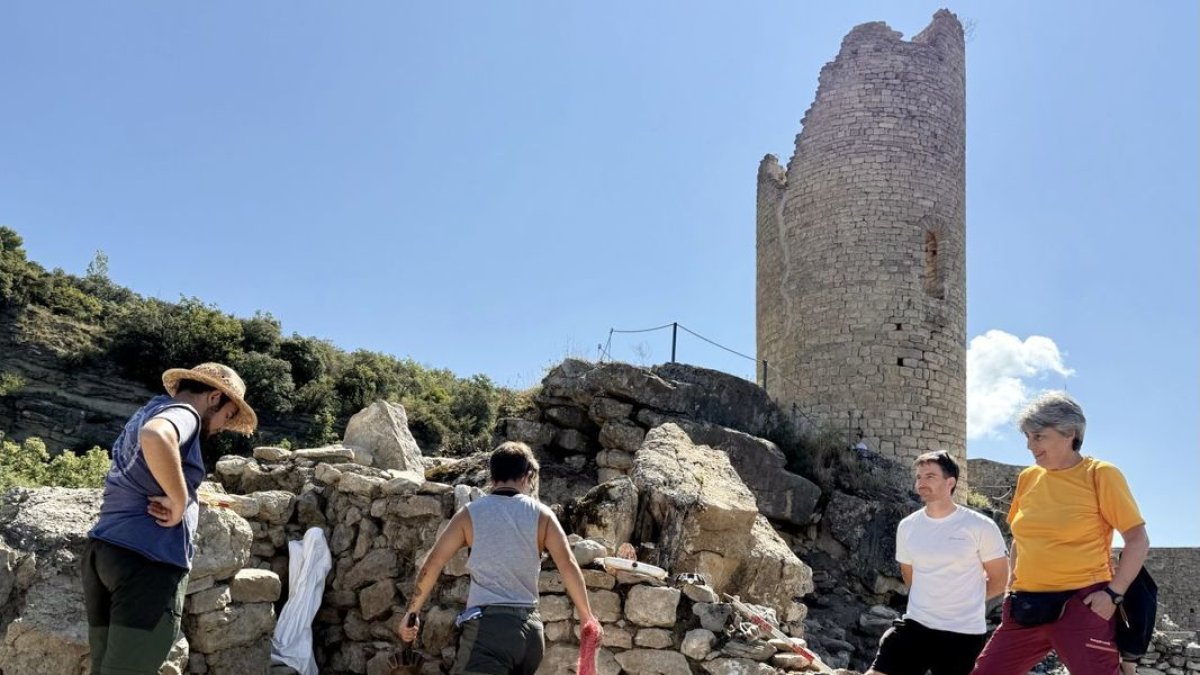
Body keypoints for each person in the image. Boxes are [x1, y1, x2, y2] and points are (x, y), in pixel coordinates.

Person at [84, 363, 257, 675]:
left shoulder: (150, 408)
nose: (221, 428)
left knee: (105, 668)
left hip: (106, 550)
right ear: (214, 397)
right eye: (228, 416)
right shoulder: (186, 413)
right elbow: (156, 437)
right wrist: (179, 500)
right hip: (146, 561)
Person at [971, 391, 1149, 675]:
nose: (1030, 445)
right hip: (1025, 607)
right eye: (1027, 437)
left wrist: (1113, 595)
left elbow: (1137, 539)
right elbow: (1020, 538)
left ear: (1069, 432)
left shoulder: (1100, 474)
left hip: (1083, 604)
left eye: (1038, 436)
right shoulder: (1028, 478)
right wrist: (1010, 589)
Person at [399, 441, 600, 675]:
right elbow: (568, 565)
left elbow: (433, 563)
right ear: (527, 476)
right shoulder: (543, 515)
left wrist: (411, 613)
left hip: (489, 634)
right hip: (531, 636)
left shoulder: (471, 514)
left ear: (492, 477)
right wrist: (588, 618)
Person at [866, 451, 1008, 675]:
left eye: (930, 476)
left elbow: (1000, 580)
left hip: (963, 635)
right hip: (915, 626)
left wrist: (964, 600)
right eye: (919, 477)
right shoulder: (907, 526)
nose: (921, 482)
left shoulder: (981, 526)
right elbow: (909, 576)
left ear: (950, 482)